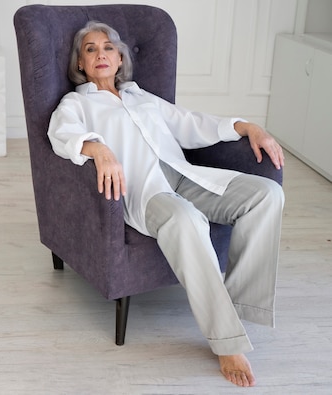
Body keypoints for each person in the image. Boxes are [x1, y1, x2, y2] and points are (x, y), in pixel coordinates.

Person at [47, 21, 285, 388]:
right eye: (90, 49)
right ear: (80, 63)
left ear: (120, 56)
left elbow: (189, 123)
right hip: (145, 191)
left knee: (267, 195)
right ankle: (226, 340)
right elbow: (61, 135)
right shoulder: (77, 103)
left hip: (184, 177)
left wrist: (245, 125)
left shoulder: (140, 96)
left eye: (108, 47)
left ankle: (241, 309)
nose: (101, 54)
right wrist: (97, 149)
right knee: (186, 220)